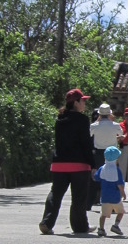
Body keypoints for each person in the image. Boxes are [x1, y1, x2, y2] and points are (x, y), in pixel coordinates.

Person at [39, 88, 94, 236]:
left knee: (55, 193)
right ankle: (80, 226)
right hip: (79, 164)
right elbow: (86, 144)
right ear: (76, 103)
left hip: (59, 164)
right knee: (79, 197)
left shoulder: (60, 119)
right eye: (82, 101)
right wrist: (93, 164)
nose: (84, 103)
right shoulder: (82, 119)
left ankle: (46, 222)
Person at [88, 102, 121, 209]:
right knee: (111, 176)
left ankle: (89, 202)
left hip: (98, 152)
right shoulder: (115, 125)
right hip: (111, 153)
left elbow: (89, 134)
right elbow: (120, 134)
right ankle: (112, 202)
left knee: (95, 176)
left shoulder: (94, 126)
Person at [92, 145, 126, 236]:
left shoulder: (102, 168)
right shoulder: (117, 170)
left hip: (105, 196)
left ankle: (101, 229)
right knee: (121, 212)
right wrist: (123, 193)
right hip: (115, 196)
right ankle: (116, 225)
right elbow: (119, 184)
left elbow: (96, 177)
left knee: (103, 214)